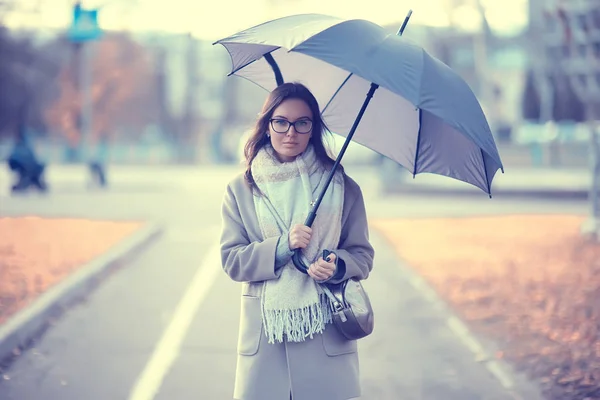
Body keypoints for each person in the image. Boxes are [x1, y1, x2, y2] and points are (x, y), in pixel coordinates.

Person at [220, 82, 375, 400]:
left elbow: (362, 254)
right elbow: (232, 260)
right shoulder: (242, 189)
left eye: (302, 123)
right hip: (266, 344)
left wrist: (336, 265)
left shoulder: (343, 187)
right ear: (267, 126)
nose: (291, 132)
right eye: (281, 122)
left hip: (325, 341)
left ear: (313, 128)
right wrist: (281, 247)